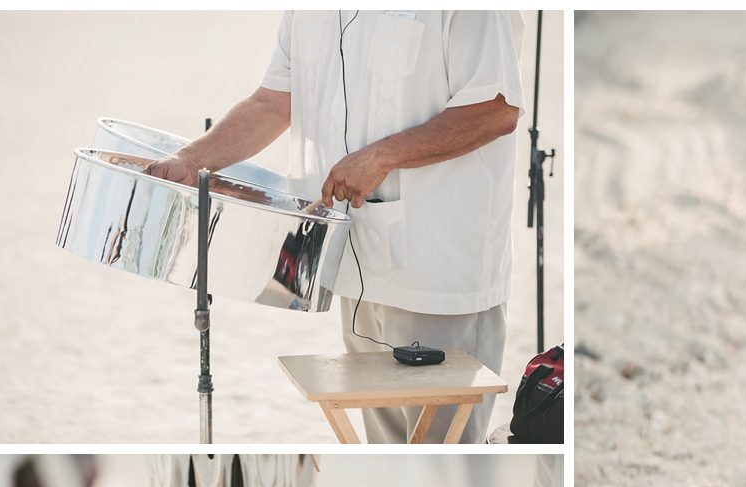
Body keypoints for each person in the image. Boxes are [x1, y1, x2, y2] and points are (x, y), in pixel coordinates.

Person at [147, 11, 526, 443]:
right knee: (387, 460)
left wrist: (382, 157)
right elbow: (272, 103)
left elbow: (495, 110)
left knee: (446, 464)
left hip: (439, 275)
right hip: (354, 265)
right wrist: (188, 161)